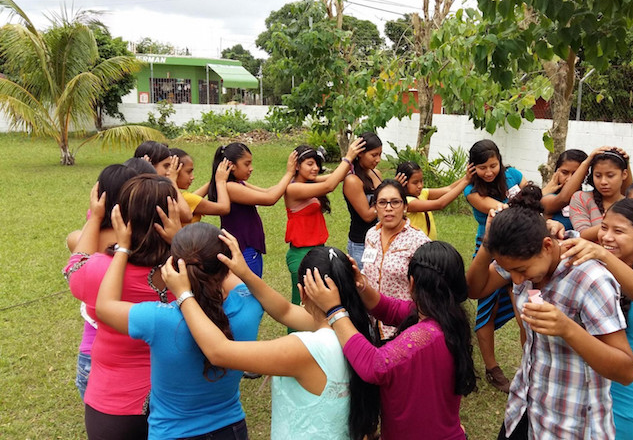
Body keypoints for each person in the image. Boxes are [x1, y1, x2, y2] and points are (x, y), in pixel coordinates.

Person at [162, 242, 381, 440]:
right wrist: (245, 274)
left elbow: (219, 351)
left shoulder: (305, 348)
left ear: (302, 293)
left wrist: (183, 295)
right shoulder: (355, 330)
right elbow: (285, 311)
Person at [480, 185, 633, 440]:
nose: (516, 280)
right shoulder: (524, 264)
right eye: (511, 272)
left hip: (570, 424)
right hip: (525, 408)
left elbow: (626, 371)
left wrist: (568, 328)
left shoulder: (590, 278)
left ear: (547, 246)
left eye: (521, 269)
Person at [95, 220, 262, 439]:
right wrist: (192, 245)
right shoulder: (250, 306)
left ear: (172, 266)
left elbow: (104, 306)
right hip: (231, 429)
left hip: (172, 433)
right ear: (226, 262)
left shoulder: (158, 319)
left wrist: (123, 248)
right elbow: (231, 277)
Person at [304, 241, 478, 440]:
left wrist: (334, 311)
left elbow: (373, 365)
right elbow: (389, 309)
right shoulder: (446, 317)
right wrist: (362, 286)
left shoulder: (425, 336)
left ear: (412, 283)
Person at [65, 174, 181, 439]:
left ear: (122, 216)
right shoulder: (191, 269)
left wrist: (95, 218)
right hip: (179, 402)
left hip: (114, 404)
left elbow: (74, 264)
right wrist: (181, 239)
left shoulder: (100, 270)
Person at [560, 199, 633, 440]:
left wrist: (602, 255)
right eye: (604, 227)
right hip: (592, 396)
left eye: (619, 231)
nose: (606, 237)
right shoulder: (595, 270)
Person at [65, 164, 138, 400]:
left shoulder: (85, 239)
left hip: (92, 351)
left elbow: (76, 261)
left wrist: (95, 217)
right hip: (136, 350)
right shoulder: (143, 242)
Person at [464, 139, 527, 393]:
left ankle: (530, 367)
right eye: (482, 167)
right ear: (473, 168)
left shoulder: (514, 175)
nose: (489, 172)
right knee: (486, 311)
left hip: (521, 250)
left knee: (525, 313)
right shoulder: (471, 190)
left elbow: (536, 199)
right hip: (488, 250)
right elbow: (498, 208)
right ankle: (492, 369)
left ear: (500, 160)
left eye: (493, 165)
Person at [284, 139, 365, 307]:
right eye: (310, 164)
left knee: (317, 305)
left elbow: (336, 176)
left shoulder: (310, 183)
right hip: (301, 253)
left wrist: (354, 160)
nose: (315, 168)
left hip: (317, 249)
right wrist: (348, 157)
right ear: (297, 166)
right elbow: (329, 185)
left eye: (317, 164)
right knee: (302, 303)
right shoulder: (293, 189)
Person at [208, 142, 297, 278]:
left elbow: (268, 191)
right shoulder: (230, 187)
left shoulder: (238, 183)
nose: (251, 168)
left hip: (247, 248)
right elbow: (270, 199)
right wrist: (289, 173)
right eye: (246, 164)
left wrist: (292, 179)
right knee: (250, 291)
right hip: (244, 249)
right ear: (231, 166)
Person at [362, 179, 430, 339]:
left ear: (405, 207)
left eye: (395, 202)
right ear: (375, 207)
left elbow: (429, 288)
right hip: (372, 323)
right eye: (382, 203)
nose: (388, 208)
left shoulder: (418, 241)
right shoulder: (371, 235)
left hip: (404, 326)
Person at [394, 161, 473, 239]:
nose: (420, 186)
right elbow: (440, 204)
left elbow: (449, 189)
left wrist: (468, 176)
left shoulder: (422, 194)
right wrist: (466, 181)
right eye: (415, 183)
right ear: (403, 183)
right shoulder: (406, 202)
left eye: (421, 181)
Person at [569, 148, 632, 241]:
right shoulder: (581, 198)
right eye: (598, 176)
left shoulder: (630, 204)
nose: (603, 182)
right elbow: (583, 234)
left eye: (610, 175)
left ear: (624, 174)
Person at [342, 132, 384, 269]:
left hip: (380, 240)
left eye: (380, 155)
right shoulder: (352, 180)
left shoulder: (375, 174)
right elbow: (367, 215)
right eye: (374, 155)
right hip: (361, 244)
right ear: (360, 153)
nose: (378, 159)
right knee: (363, 285)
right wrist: (387, 202)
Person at [169, 147, 232, 224]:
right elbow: (224, 208)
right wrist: (220, 181)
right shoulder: (187, 199)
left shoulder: (166, 194)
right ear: (175, 171)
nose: (192, 177)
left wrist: (214, 179)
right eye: (188, 172)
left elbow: (193, 199)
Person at [540, 149, 588, 231]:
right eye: (564, 173)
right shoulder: (548, 199)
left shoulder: (589, 198)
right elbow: (564, 199)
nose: (569, 179)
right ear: (556, 172)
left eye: (576, 174)